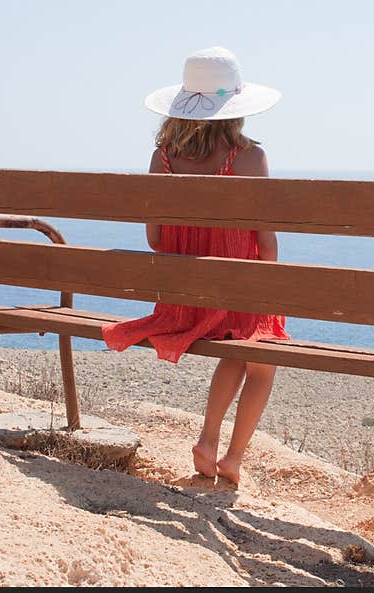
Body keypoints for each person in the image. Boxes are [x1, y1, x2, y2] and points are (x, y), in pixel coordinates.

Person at [102, 46, 288, 484]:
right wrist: (270, 285)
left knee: (240, 342)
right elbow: (265, 243)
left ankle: (208, 440)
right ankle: (232, 457)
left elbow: (153, 237)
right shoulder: (250, 159)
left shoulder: (161, 158)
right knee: (262, 353)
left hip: (183, 299)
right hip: (237, 290)